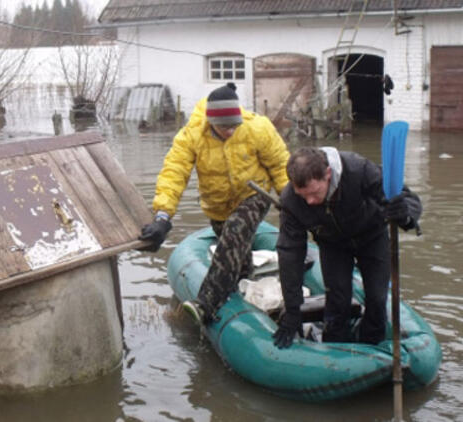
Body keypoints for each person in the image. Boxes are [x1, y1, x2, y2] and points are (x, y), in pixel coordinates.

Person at [138, 82, 290, 324]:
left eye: (234, 126)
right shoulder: (192, 136)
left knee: (236, 230)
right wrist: (162, 215)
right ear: (211, 122)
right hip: (217, 204)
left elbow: (281, 166)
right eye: (224, 127)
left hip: (254, 194)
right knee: (237, 259)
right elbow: (174, 173)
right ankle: (244, 302)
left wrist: (293, 201)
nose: (230, 131)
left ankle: (206, 303)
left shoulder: (257, 128)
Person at [273, 146, 422, 349]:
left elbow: (405, 196)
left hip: (372, 236)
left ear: (327, 174)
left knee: (377, 298)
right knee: (337, 299)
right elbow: (290, 253)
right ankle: (334, 346)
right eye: (303, 195)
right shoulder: (291, 200)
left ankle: (372, 345)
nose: (310, 201)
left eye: (314, 193)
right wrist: (293, 311)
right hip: (332, 244)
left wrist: (405, 215)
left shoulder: (358, 169)